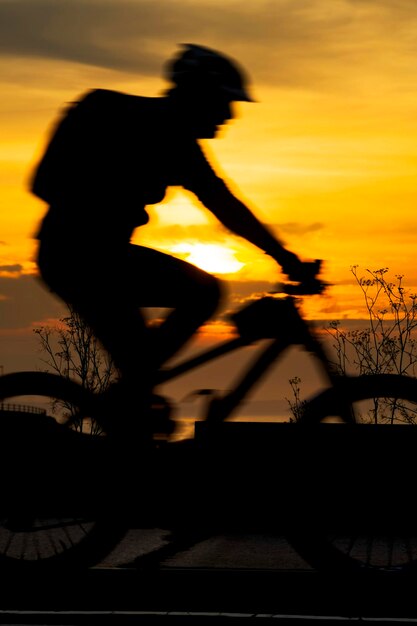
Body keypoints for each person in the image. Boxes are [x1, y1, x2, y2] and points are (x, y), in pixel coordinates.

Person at [31, 43, 316, 436]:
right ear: (200, 95)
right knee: (203, 294)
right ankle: (129, 403)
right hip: (80, 256)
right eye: (224, 103)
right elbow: (226, 207)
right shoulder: (153, 128)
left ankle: (130, 404)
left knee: (140, 370)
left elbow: (227, 206)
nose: (229, 116)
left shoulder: (174, 138)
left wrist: (285, 257)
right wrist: (287, 260)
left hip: (88, 257)